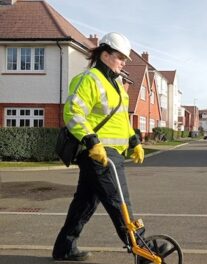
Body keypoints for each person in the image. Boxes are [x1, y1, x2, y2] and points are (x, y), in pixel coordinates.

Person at [52, 32, 145, 261]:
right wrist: (91, 141)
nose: (124, 62)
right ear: (105, 54)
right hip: (99, 154)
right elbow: (73, 112)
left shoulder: (117, 85)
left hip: (111, 153)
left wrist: (134, 142)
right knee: (119, 201)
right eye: (120, 57)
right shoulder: (90, 79)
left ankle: (64, 247)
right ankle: (144, 248)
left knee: (84, 203)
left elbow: (121, 120)